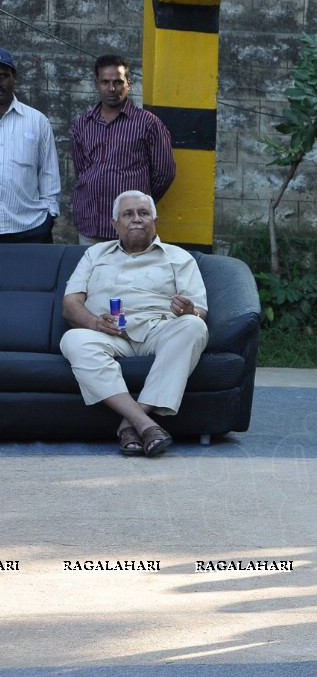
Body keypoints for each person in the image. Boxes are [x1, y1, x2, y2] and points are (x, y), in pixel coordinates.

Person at [60, 190, 208, 457]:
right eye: (128, 214)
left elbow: (200, 310)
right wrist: (95, 323)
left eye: (143, 213)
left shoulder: (179, 257)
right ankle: (145, 424)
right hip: (110, 334)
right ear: (115, 224)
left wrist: (190, 310)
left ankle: (132, 423)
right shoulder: (95, 254)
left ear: (155, 221)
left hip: (158, 331)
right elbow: (70, 305)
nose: (136, 219)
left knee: (194, 326)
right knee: (72, 339)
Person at [70, 55, 174, 244]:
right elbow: (81, 170)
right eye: (105, 82)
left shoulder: (148, 124)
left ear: (129, 84)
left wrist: (139, 202)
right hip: (90, 224)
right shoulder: (82, 124)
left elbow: (165, 173)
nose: (111, 89)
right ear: (96, 84)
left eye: (118, 82)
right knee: (92, 273)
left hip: (130, 228)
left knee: (130, 274)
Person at [0, 47, 60, 243]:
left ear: (14, 78)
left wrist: (49, 216)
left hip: (30, 228)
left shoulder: (37, 121)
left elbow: (49, 173)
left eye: (3, 76)